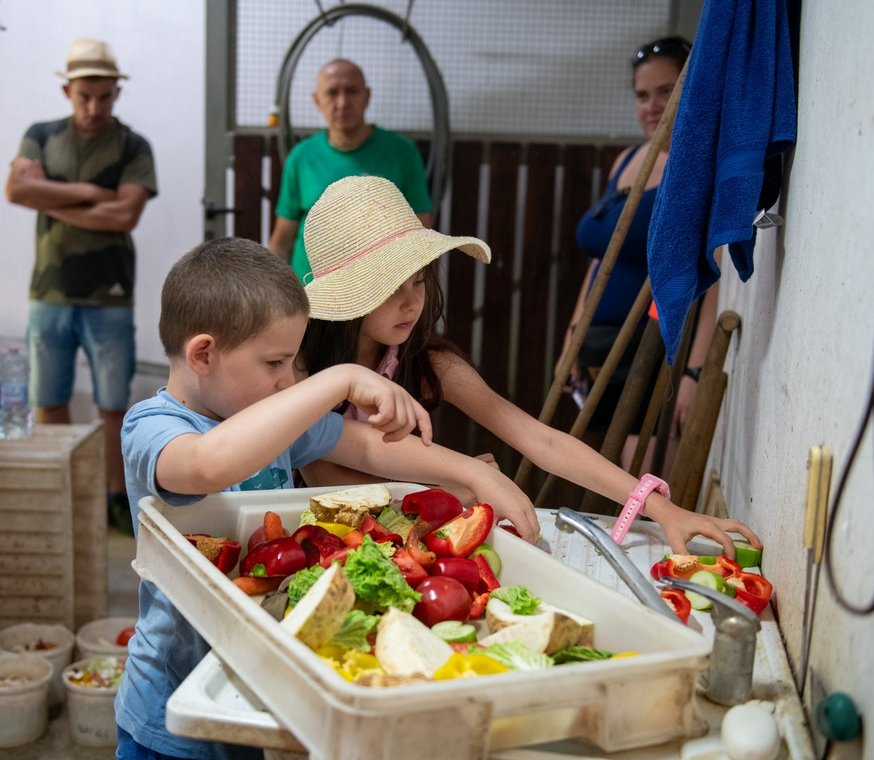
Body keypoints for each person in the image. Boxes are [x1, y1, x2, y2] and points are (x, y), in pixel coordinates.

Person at [115, 237, 538, 759]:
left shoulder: (275, 423)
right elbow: (209, 464)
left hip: (260, 694)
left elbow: (370, 448)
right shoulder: (151, 427)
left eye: (294, 364)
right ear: (203, 353)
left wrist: (477, 476)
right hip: (173, 711)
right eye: (275, 363)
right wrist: (341, 378)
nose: (288, 381)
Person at [297, 175, 761, 557]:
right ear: (348, 293)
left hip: (407, 544)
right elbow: (325, 476)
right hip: (322, 542)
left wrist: (660, 509)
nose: (411, 303)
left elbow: (540, 439)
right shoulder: (300, 367)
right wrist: (455, 483)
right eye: (389, 285)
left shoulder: (428, 363)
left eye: (419, 281)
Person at [4, 38, 157, 532]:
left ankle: (115, 496)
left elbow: (124, 214)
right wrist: (90, 193)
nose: (94, 107)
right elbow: (16, 189)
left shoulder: (133, 145)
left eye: (104, 96)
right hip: (49, 292)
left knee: (114, 405)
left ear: (116, 92)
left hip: (110, 294)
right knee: (48, 397)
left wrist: (47, 198)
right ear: (68, 90)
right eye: (84, 96)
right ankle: (60, 490)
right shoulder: (40, 135)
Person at [554, 36, 712, 473]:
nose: (652, 105)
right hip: (601, 350)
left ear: (692, 87)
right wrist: (573, 332)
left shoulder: (699, 168)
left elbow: (712, 281)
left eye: (666, 91)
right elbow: (601, 258)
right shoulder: (628, 160)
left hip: (653, 350)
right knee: (608, 475)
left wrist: (693, 373)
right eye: (643, 95)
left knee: (642, 477)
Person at [268, 58, 433, 282]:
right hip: (310, 293)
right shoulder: (301, 156)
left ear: (367, 96)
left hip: (377, 292)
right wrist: (273, 297)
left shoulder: (402, 153)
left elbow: (419, 232)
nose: (343, 102)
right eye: (332, 93)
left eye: (352, 91)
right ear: (317, 101)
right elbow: (282, 240)